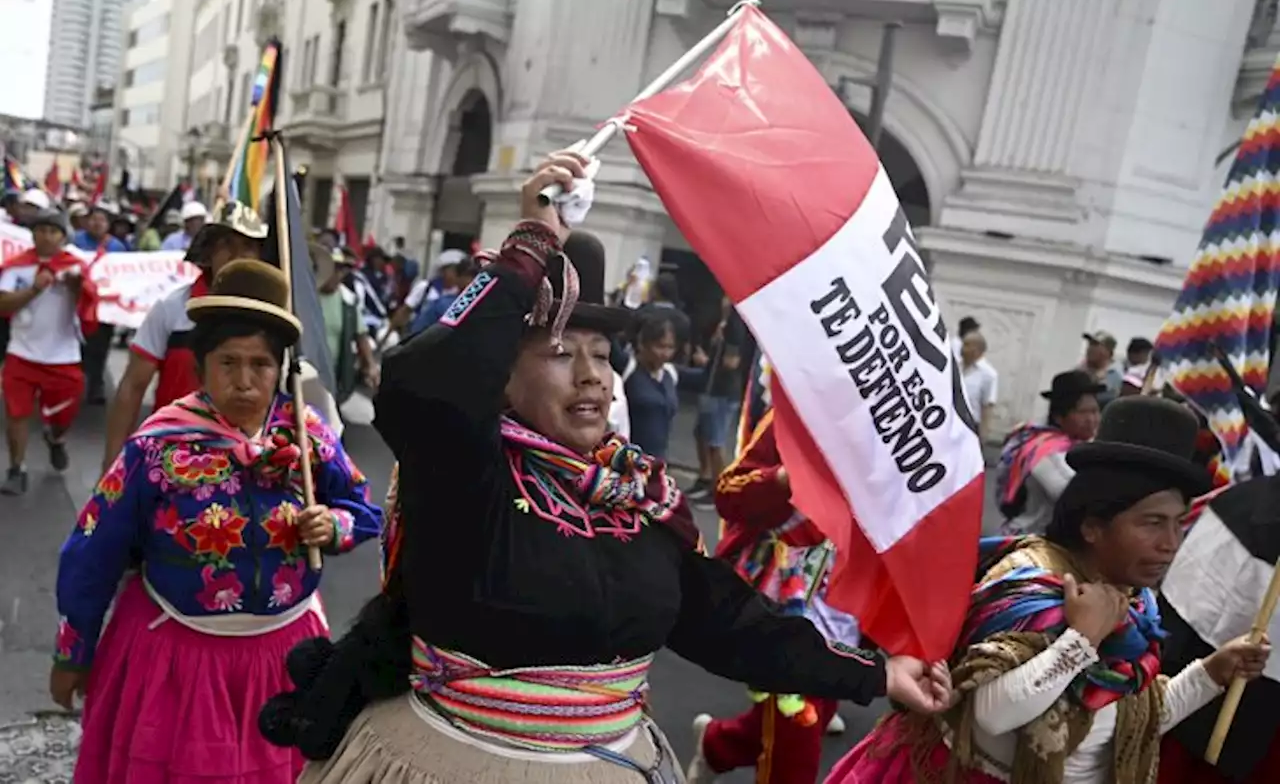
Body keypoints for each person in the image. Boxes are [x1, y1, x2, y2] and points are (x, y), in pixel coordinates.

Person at [259, 153, 952, 783]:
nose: (593, 375)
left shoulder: (636, 495)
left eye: (602, 354)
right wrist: (530, 246)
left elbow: (728, 620)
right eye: (562, 353)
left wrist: (876, 672)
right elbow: (420, 381)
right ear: (502, 375)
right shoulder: (464, 472)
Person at [52, 258, 382, 783]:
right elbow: (93, 550)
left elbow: (365, 510)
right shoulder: (158, 448)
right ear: (201, 365)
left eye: (261, 364)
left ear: (281, 371)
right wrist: (73, 652)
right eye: (229, 362)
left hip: (282, 657)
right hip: (174, 659)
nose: (245, 381)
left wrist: (335, 526)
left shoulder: (308, 434)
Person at [826, 395, 1272, 784]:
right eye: (1152, 523)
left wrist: (1212, 672)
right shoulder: (1030, 587)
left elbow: (1129, 721)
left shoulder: (1133, 607)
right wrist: (1080, 640)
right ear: (1093, 525)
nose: (1171, 544)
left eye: (1178, 524)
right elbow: (992, 715)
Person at [686, 407, 862, 784]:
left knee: (812, 716)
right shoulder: (795, 414)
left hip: (850, 603)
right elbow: (728, 493)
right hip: (785, 600)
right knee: (796, 739)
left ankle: (716, 746)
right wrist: (782, 479)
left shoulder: (896, 435)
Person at [102, 201, 270, 474]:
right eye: (227, 244)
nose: (238, 255)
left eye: (248, 246)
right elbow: (132, 387)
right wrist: (112, 468)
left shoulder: (273, 316)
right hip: (171, 460)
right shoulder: (171, 307)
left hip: (247, 468)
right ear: (210, 252)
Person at [0, 208, 98, 495]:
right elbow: (3, 306)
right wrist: (34, 289)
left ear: (63, 236)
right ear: (33, 234)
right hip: (22, 354)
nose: (46, 236)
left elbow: (91, 305)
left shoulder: (75, 268)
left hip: (63, 358)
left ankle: (55, 439)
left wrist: (78, 287)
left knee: (62, 417)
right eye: (41, 230)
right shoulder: (17, 266)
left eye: (53, 231)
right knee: (16, 413)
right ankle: (17, 469)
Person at [997, 370, 1104, 535]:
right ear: (1059, 417)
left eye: (1095, 411)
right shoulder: (1044, 451)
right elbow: (1074, 496)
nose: (1092, 419)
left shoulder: (1081, 445)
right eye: (1083, 412)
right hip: (1030, 541)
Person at [688, 298, 755, 509]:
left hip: (723, 392)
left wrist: (706, 360)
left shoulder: (735, 326)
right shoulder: (725, 323)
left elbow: (731, 362)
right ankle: (705, 477)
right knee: (701, 433)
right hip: (712, 387)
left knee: (715, 441)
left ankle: (720, 490)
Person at [622, 314, 707, 459]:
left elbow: (705, 379)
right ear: (643, 344)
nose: (665, 353)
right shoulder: (629, 369)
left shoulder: (670, 373)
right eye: (660, 346)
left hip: (658, 461)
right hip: (628, 459)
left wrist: (710, 357)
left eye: (670, 347)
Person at [73, 201, 128, 405]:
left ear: (108, 224)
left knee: (100, 346)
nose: (97, 223)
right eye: (93, 219)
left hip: (104, 307)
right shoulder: (75, 241)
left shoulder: (117, 247)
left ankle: (96, 384)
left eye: (101, 220)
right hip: (77, 303)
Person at [314, 244, 378, 405]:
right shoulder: (307, 294)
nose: (337, 273)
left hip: (334, 375)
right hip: (305, 370)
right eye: (334, 268)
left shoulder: (348, 300)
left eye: (341, 269)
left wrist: (370, 365)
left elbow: (361, 336)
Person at [407, 255, 479, 336]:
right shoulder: (440, 305)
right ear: (458, 278)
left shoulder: (484, 306)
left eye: (475, 277)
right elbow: (418, 332)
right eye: (467, 276)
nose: (471, 281)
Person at [960, 331, 999, 441]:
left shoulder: (989, 374)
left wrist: (983, 435)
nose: (962, 349)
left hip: (969, 426)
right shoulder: (955, 366)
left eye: (966, 345)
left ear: (977, 349)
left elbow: (987, 406)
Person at [1082, 330, 1123, 408]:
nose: (1090, 348)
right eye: (1090, 344)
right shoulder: (1081, 368)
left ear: (1108, 352)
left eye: (1095, 345)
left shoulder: (1114, 374)